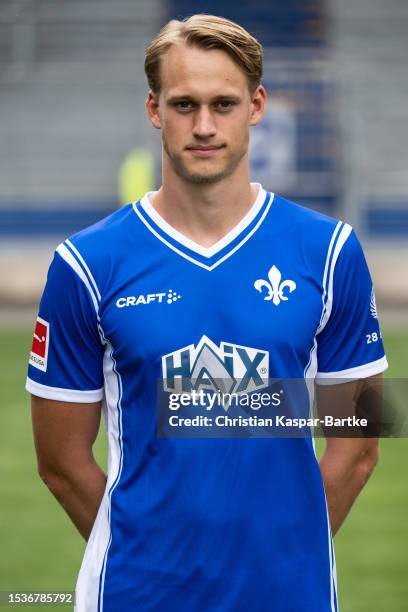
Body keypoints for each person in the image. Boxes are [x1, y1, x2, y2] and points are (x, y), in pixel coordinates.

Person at [27, 14, 387, 612]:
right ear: (153, 110)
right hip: (135, 594)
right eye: (183, 104)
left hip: (288, 593)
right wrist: (155, 551)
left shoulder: (330, 252)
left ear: (256, 105)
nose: (203, 126)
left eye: (223, 103)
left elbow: (360, 440)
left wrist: (281, 547)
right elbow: (60, 464)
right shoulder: (85, 264)